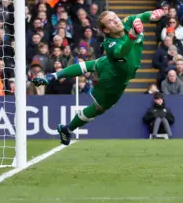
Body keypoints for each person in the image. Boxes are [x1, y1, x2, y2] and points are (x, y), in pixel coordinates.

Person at [32, 8, 166, 145]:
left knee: (92, 64)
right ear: (106, 30)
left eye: (115, 17)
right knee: (99, 108)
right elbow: (122, 52)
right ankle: (68, 128)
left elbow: (144, 15)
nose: (115, 20)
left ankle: (51, 77)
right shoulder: (110, 44)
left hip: (110, 64)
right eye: (110, 21)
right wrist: (132, 36)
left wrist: (156, 13)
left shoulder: (127, 22)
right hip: (114, 77)